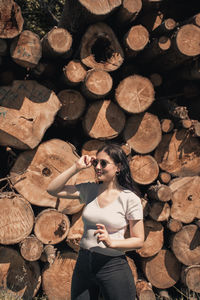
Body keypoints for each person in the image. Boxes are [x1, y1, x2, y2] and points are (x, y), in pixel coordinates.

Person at [47, 143, 144, 300]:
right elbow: (52, 189)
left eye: (103, 163)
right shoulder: (89, 190)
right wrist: (76, 167)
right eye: (95, 162)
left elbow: (139, 240)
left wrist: (112, 242)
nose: (98, 167)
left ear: (118, 167)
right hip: (84, 264)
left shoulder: (130, 199)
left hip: (112, 266)